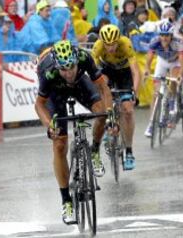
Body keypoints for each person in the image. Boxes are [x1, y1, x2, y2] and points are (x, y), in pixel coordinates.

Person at [35, 40, 112, 224]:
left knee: (101, 113)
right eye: (64, 69)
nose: (69, 73)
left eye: (72, 67)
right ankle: (66, 201)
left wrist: (109, 111)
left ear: (77, 60)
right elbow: (39, 104)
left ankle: (94, 151)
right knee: (60, 144)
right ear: (57, 66)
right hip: (55, 94)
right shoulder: (49, 71)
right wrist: (49, 125)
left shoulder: (85, 57)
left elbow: (102, 86)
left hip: (81, 85)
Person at [91, 24, 140, 170]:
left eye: (113, 44)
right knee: (103, 84)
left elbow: (136, 72)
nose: (110, 48)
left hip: (124, 72)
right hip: (107, 70)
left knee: (128, 110)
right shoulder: (98, 46)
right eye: (107, 45)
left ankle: (129, 151)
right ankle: (108, 120)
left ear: (118, 41)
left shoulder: (125, 44)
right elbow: (92, 70)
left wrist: (134, 93)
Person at [143, 21, 183, 135]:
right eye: (162, 35)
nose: (164, 38)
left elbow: (182, 63)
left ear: (171, 35)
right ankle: (151, 124)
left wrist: (180, 76)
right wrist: (147, 70)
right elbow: (149, 59)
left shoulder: (178, 42)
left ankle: (172, 101)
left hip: (175, 62)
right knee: (156, 93)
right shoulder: (155, 41)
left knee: (173, 80)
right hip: (162, 62)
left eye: (167, 35)